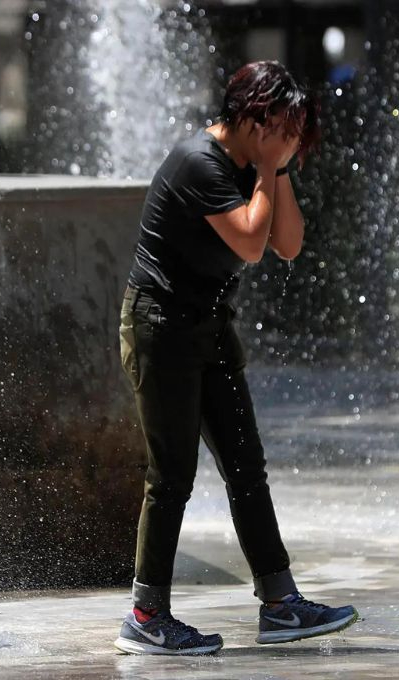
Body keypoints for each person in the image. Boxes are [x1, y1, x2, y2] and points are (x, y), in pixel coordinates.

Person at [114, 61, 358, 656]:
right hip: (160, 328)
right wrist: (271, 167)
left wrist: (279, 168)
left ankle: (280, 603)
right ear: (254, 116)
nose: (293, 139)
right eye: (287, 125)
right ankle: (146, 616)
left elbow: (289, 244)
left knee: (247, 466)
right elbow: (251, 242)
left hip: (208, 328)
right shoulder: (199, 162)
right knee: (171, 476)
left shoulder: (257, 163)